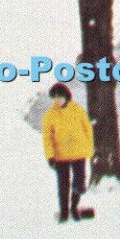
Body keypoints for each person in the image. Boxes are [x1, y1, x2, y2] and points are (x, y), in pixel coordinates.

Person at [41, 83, 94, 222]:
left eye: (59, 97)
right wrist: (50, 156)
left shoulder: (78, 111)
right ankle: (64, 213)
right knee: (63, 185)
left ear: (66, 97)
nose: (57, 100)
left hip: (78, 153)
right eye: (54, 98)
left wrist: (89, 150)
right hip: (61, 156)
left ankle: (74, 207)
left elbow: (88, 130)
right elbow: (47, 137)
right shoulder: (50, 115)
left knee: (79, 183)